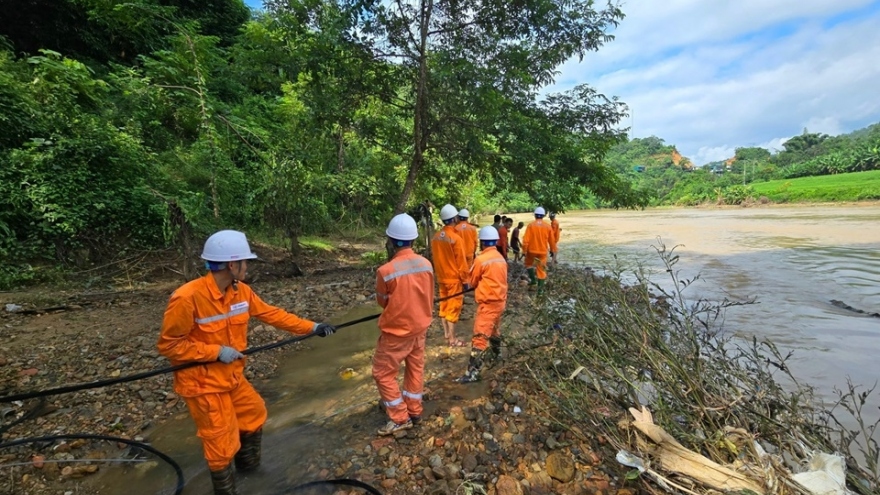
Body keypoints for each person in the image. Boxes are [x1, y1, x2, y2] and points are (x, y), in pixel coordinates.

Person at [157, 230, 336, 495]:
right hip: (203, 384)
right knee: (220, 443)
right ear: (232, 265)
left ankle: (251, 475)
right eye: (245, 262)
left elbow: (273, 314)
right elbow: (169, 345)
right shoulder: (187, 298)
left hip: (231, 377)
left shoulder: (241, 292)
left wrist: (312, 327)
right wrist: (215, 351)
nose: (247, 267)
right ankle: (227, 489)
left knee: (253, 414)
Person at [373, 214, 435, 436]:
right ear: (413, 240)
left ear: (390, 241)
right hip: (420, 329)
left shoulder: (385, 271)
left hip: (396, 333)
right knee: (415, 368)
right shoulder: (426, 265)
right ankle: (414, 410)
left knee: (382, 373)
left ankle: (399, 417)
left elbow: (383, 301)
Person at [457, 226, 508, 383]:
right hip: (500, 302)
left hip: (488, 304)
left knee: (479, 336)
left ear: (482, 242)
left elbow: (472, 281)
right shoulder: (500, 258)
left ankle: (473, 373)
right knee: (494, 330)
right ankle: (496, 355)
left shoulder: (481, 259)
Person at [431, 204, 469, 347]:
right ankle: (453, 339)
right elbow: (461, 262)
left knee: (444, 306)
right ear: (454, 218)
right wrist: (466, 281)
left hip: (441, 278)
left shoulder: (436, 237)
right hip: (453, 279)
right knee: (453, 308)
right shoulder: (455, 238)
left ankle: (446, 334)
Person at [522, 207, 557, 295]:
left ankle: (533, 280)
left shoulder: (530, 225)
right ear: (543, 216)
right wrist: (553, 250)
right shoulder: (548, 226)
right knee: (541, 269)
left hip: (531, 251)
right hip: (542, 252)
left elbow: (526, 240)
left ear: (535, 215)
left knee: (528, 264)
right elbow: (552, 241)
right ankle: (540, 291)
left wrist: (524, 251)